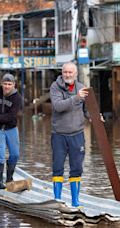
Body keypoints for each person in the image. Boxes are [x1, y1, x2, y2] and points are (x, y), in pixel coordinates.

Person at [49, 62, 90, 207]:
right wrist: (76, 98)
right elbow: (58, 106)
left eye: (70, 72)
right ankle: (58, 201)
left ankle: (75, 202)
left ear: (76, 74)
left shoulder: (81, 88)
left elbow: (86, 110)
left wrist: (96, 117)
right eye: (65, 72)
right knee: (58, 167)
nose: (67, 75)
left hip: (77, 134)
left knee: (77, 168)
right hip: (59, 134)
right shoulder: (55, 87)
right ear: (62, 73)